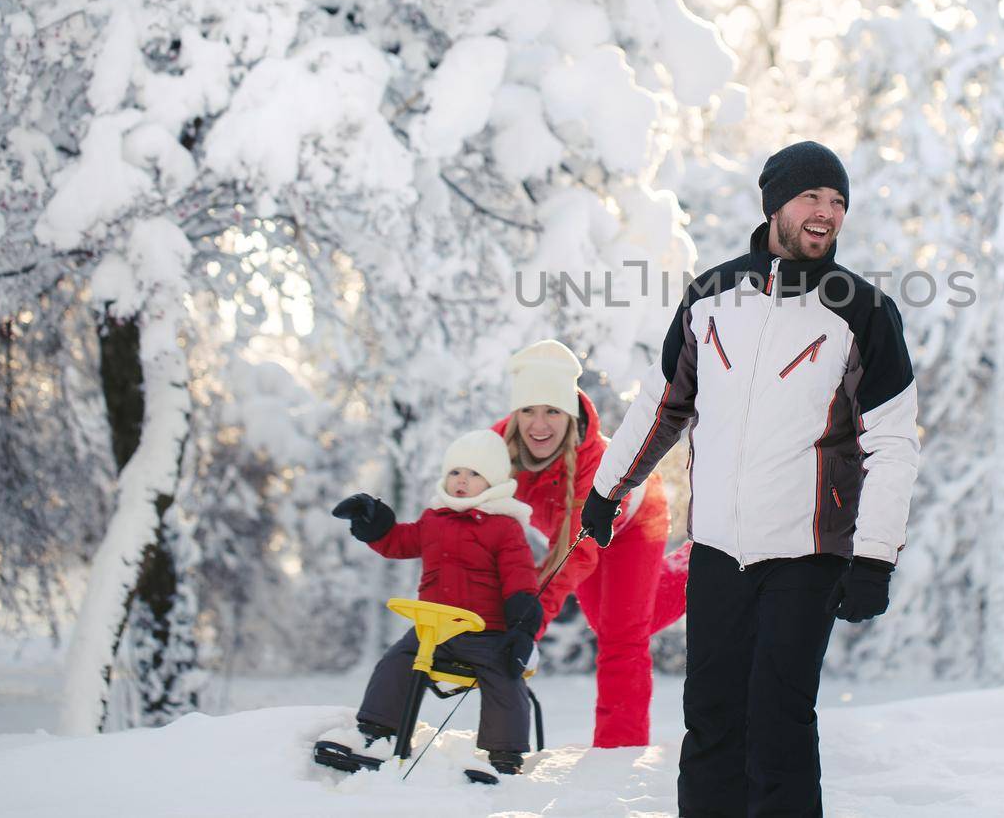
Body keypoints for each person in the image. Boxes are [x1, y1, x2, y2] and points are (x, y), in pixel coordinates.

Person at [580, 140, 923, 817]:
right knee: (709, 720)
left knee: (777, 722)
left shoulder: (864, 313)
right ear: (775, 205)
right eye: (811, 197)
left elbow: (892, 444)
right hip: (716, 548)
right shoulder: (710, 297)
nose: (826, 212)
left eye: (838, 201)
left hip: (807, 553)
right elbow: (662, 403)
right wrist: (606, 489)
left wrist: (875, 557)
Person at [493, 339, 687, 748]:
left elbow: (574, 553)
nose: (539, 424)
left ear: (571, 413)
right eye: (528, 410)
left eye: (552, 411)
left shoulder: (592, 461)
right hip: (575, 537)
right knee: (612, 620)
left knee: (622, 636)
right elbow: (468, 507)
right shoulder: (497, 451)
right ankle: (694, 567)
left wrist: (532, 621)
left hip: (633, 523)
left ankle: (619, 751)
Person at [328, 429, 542, 776]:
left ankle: (505, 754)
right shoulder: (434, 520)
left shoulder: (504, 528)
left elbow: (520, 576)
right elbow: (400, 542)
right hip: (433, 632)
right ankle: (377, 731)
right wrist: (375, 523)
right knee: (396, 661)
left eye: (474, 474)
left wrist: (521, 628)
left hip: (484, 633)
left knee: (505, 677)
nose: (462, 481)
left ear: (494, 482)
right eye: (455, 472)